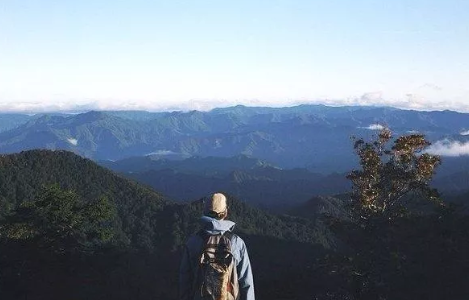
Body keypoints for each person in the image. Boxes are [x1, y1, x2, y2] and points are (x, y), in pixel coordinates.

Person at [179, 192, 255, 300]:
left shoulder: (193, 242)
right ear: (225, 212)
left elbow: (185, 282)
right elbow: (246, 283)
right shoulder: (237, 243)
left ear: (205, 213)